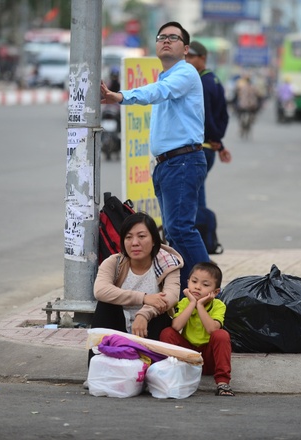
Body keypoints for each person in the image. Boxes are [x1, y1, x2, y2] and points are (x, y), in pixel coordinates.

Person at [100, 21, 209, 295]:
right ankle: (185, 292)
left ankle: (207, 289)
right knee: (173, 232)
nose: (166, 40)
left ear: (185, 49)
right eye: (162, 37)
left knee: (180, 229)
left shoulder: (184, 74)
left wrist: (120, 96)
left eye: (173, 37)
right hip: (167, 164)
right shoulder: (167, 76)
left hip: (182, 162)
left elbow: (156, 93)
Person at [90, 212, 183, 364]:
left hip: (150, 328)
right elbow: (100, 290)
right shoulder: (115, 263)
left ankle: (152, 368)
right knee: (105, 305)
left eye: (141, 236)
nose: (134, 243)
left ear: (153, 240)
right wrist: (144, 297)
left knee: (162, 310)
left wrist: (144, 314)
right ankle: (97, 367)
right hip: (119, 328)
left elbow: (171, 297)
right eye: (128, 237)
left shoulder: (167, 263)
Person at [160, 262, 234, 397]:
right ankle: (170, 377)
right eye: (194, 282)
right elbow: (176, 327)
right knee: (167, 333)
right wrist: (192, 303)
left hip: (209, 358)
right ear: (188, 282)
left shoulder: (218, 305)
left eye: (205, 285)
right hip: (189, 357)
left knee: (221, 335)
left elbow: (212, 329)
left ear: (216, 292)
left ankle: (223, 383)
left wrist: (199, 305)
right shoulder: (184, 302)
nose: (198, 287)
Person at [185, 40, 231, 210]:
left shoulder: (202, 83)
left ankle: (203, 233)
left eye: (191, 56)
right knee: (197, 193)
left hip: (202, 147)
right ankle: (206, 234)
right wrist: (219, 143)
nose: (187, 60)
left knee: (194, 199)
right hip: (210, 146)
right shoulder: (215, 80)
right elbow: (224, 117)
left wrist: (213, 138)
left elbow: (205, 116)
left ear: (203, 57)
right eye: (185, 56)